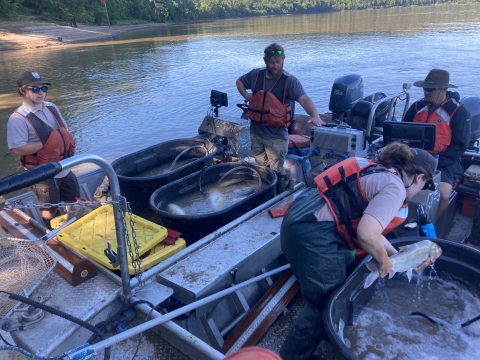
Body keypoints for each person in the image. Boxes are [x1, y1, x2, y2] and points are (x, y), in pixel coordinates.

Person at [279, 142, 437, 360]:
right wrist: (384, 263)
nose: (422, 189)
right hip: (312, 232)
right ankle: (292, 356)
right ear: (419, 177)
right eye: (426, 185)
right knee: (325, 300)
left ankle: (321, 332)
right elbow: (366, 234)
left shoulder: (379, 170)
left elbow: (373, 231)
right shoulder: (395, 188)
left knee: (343, 273)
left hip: (301, 215)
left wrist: (399, 257)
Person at [236, 43, 324, 194]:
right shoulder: (256, 74)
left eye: (279, 61)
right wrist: (247, 96)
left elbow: (303, 99)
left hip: (276, 137)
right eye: (271, 62)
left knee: (277, 168)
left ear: (284, 59)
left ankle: (284, 192)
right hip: (256, 132)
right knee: (262, 167)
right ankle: (266, 191)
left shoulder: (290, 81)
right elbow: (239, 82)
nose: (275, 65)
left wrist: (315, 115)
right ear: (265, 61)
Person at [6, 71, 80, 227]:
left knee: (74, 200)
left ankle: (74, 228)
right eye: (35, 89)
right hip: (40, 171)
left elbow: (63, 128)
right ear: (22, 91)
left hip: (63, 165)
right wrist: (48, 143)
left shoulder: (52, 107)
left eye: (44, 89)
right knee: (49, 209)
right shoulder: (18, 118)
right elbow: (16, 149)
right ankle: (53, 237)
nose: (41, 93)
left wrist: (62, 141)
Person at [403, 69, 471, 220]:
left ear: (444, 90)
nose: (426, 93)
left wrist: (435, 163)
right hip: (414, 156)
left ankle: (432, 224)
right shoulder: (415, 107)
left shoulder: (459, 112)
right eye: (425, 89)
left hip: (446, 160)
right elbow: (401, 132)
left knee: (443, 194)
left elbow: (460, 146)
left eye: (430, 89)